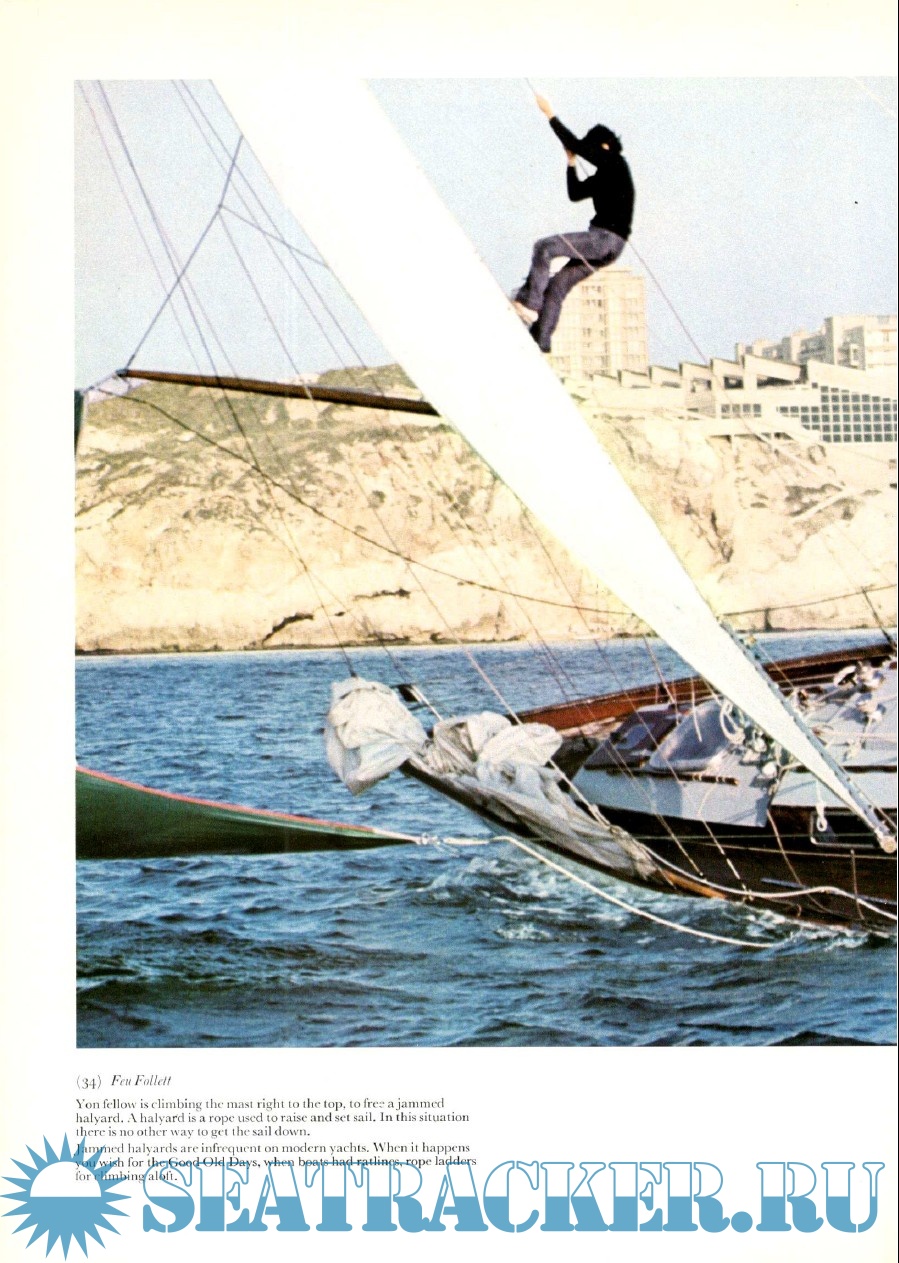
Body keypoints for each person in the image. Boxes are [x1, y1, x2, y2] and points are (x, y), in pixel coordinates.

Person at [514, 94, 634, 353]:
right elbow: (576, 193)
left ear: (604, 146)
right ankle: (541, 341)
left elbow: (575, 143)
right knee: (558, 286)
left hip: (603, 239)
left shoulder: (615, 161)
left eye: (593, 148)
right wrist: (571, 163)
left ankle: (530, 304)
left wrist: (549, 114)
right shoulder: (605, 176)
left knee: (545, 247)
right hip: (611, 248)